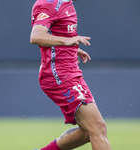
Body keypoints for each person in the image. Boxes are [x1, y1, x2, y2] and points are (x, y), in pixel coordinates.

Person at [30, 0, 112, 150]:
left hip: (71, 72)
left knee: (89, 131)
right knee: (98, 127)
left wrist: (72, 48)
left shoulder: (66, 3)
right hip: (58, 75)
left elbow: (58, 33)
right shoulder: (48, 3)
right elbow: (36, 36)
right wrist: (68, 41)